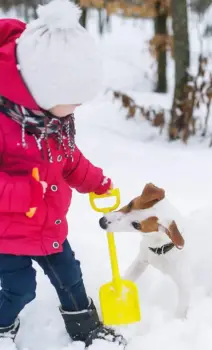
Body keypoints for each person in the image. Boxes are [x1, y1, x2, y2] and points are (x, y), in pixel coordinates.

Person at [0, 0, 126, 348]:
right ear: (42, 88)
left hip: (49, 226)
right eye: (72, 98)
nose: (77, 107)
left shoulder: (52, 122)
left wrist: (96, 181)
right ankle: (2, 325)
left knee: (71, 279)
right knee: (19, 289)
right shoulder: (4, 123)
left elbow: (67, 160)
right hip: (7, 234)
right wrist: (24, 193)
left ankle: (85, 329)